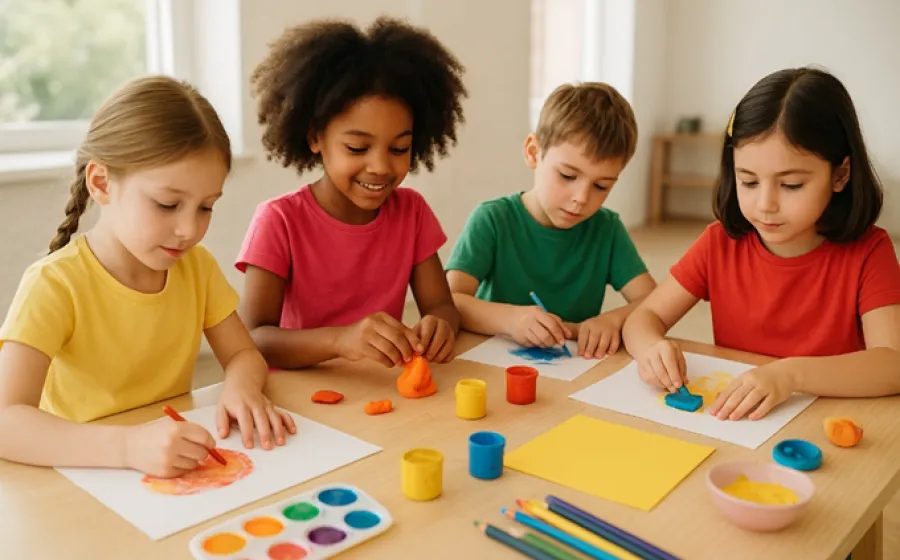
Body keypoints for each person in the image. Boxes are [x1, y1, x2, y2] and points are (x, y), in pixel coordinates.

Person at [0, 76, 296, 478]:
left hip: (166, 470)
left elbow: (244, 354)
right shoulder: (54, 284)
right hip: (83, 478)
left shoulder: (197, 268)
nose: (189, 230)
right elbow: (6, 420)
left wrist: (241, 386)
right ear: (101, 183)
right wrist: (127, 446)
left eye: (206, 207)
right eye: (167, 204)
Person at [622, 67, 900, 421]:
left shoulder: (870, 252)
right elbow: (643, 318)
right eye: (749, 182)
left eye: (791, 185)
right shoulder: (719, 243)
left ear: (841, 174)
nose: (766, 204)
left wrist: (790, 375)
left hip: (827, 422)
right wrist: (651, 348)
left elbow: (892, 364)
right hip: (741, 426)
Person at [236, 17, 467, 370]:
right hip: (301, 390)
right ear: (315, 137)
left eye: (399, 148)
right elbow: (253, 339)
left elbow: (441, 306)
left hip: (379, 387)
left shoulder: (412, 212)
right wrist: (341, 340)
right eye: (357, 148)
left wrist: (440, 325)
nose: (380, 167)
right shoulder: (279, 220)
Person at [446, 82, 657, 358]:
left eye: (601, 186)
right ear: (533, 152)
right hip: (493, 365)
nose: (581, 198)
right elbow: (450, 302)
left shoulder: (607, 229)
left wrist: (614, 320)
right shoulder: (493, 220)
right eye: (567, 176)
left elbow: (655, 301)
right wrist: (510, 320)